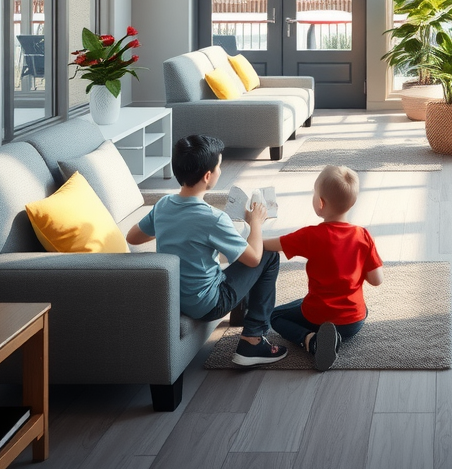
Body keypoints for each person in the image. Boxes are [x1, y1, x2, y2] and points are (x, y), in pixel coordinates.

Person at [127, 134, 287, 367]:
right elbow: (253, 259)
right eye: (220, 166)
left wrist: (171, 227)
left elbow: (133, 236)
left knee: (234, 260)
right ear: (207, 176)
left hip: (173, 295)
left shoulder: (163, 205)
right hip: (206, 304)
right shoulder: (213, 218)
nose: (221, 170)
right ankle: (253, 340)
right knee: (269, 256)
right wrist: (256, 223)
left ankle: (243, 316)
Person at [265, 165, 383, 371]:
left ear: (320, 203)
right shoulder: (363, 235)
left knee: (275, 316)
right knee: (364, 308)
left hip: (317, 316)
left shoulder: (310, 236)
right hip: (353, 321)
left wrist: (254, 226)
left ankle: (311, 340)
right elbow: (376, 280)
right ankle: (336, 337)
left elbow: (268, 245)